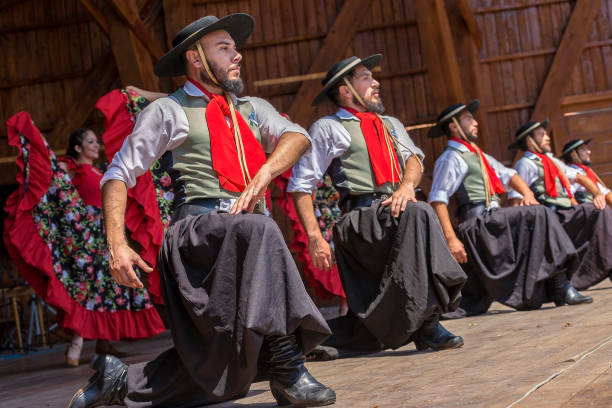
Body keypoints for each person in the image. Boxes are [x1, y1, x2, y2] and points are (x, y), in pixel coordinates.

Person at [68, 14, 335, 408]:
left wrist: (265, 171)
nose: (237, 55)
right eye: (224, 48)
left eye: (235, 47)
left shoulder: (252, 108)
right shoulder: (167, 112)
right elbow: (117, 173)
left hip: (243, 236)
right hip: (196, 235)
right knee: (260, 229)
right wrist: (116, 245)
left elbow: (297, 137)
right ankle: (286, 366)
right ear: (195, 57)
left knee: (229, 375)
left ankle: (119, 381)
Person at [288, 54, 467, 357]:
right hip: (359, 220)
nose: (376, 83)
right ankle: (429, 322)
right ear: (346, 90)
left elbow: (414, 159)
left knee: (414, 210)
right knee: (419, 212)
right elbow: (300, 186)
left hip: (398, 211)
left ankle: (417, 322)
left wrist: (407, 185)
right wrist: (316, 238)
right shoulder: (328, 128)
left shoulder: (390, 124)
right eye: (367, 78)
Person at [4, 116, 165, 369]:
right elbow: (54, 183)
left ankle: (104, 343)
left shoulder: (102, 170)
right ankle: (78, 343)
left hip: (107, 236)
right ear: (77, 148)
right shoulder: (71, 171)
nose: (96, 145)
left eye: (96, 142)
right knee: (89, 286)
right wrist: (34, 136)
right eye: (90, 142)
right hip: (84, 239)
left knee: (109, 286)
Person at [427, 101, 591, 318]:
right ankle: (560, 287)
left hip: (491, 218)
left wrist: (528, 194)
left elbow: (510, 175)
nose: (475, 122)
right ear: (454, 127)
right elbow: (438, 199)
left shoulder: (478, 154)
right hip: (475, 223)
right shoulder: (450, 158)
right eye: (469, 118)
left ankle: (555, 284)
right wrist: (451, 239)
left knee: (538, 214)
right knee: (539, 214)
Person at [508, 119, 612, 290]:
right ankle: (568, 284)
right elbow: (515, 200)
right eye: (542, 134)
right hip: (550, 215)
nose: (547, 137)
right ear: (529, 141)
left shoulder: (548, 161)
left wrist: (597, 195)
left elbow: (579, 177)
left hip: (565, 211)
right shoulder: (525, 164)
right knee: (596, 213)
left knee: (599, 210)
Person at [560, 138, 612, 206]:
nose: (588, 152)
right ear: (573, 154)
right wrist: (581, 213)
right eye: (583, 149)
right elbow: (569, 197)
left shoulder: (586, 171)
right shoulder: (571, 174)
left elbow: (604, 192)